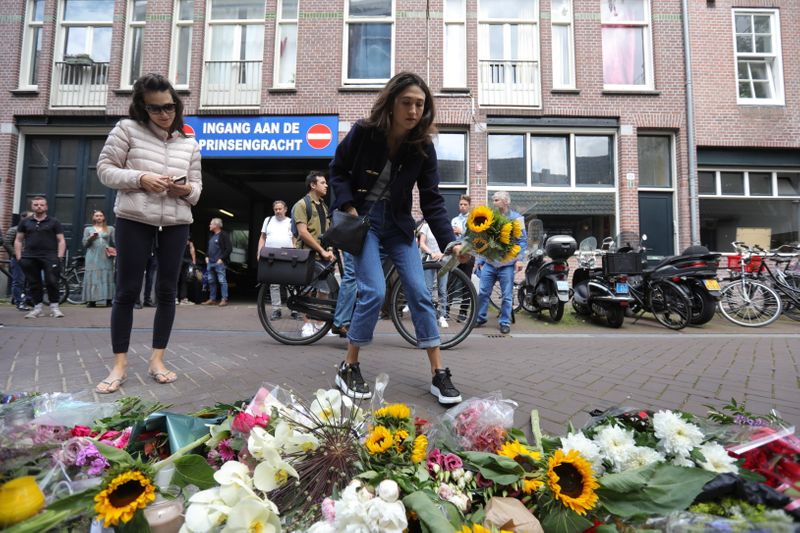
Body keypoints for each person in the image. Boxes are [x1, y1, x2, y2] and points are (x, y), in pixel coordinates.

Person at [329, 71, 468, 404]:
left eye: (420, 104)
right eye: (406, 102)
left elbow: (432, 199)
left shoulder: (422, 147)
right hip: (363, 223)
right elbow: (337, 169)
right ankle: (349, 366)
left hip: (399, 227)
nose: (413, 110)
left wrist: (451, 241)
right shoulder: (364, 133)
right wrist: (347, 206)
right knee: (374, 291)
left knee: (420, 292)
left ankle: (438, 374)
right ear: (391, 103)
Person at [95, 72, 202, 394]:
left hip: (176, 221)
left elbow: (198, 191)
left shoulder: (189, 142)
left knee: (168, 291)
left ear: (176, 105)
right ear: (142, 108)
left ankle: (158, 360)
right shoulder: (126, 129)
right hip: (134, 217)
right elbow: (104, 170)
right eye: (155, 109)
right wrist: (140, 178)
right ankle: (119, 365)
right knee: (127, 291)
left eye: (169, 106)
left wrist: (182, 190)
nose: (164, 114)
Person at [475, 191, 527, 334]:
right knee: (483, 292)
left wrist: (520, 259)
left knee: (506, 295)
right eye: (494, 200)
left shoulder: (518, 219)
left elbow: (522, 241)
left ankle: (504, 322)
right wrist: (480, 259)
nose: (494, 203)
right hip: (490, 263)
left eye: (497, 200)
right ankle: (480, 318)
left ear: (506, 202)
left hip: (508, 264)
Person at [292, 170, 335, 337]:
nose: (326, 185)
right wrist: (322, 250)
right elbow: (303, 233)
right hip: (307, 255)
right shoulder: (302, 205)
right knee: (307, 291)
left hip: (323, 256)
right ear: (313, 185)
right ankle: (307, 324)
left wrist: (329, 250)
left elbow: (327, 232)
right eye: (323, 183)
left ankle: (319, 323)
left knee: (324, 291)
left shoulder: (324, 207)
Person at [14, 197, 67, 319]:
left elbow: (61, 240)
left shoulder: (54, 222)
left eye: (41, 205)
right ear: (32, 207)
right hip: (29, 257)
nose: (39, 206)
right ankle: (37, 308)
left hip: (50, 256)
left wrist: (60, 257)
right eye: (36, 204)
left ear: (46, 207)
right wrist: (19, 257)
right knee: (34, 283)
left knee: (52, 281)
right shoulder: (25, 222)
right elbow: (18, 240)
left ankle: (55, 308)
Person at [257, 200, 294, 320]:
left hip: (288, 256)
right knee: (274, 284)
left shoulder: (291, 222)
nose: (278, 211)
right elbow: (262, 238)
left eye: (280, 209)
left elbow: (295, 239)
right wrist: (259, 252)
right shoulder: (268, 220)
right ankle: (276, 310)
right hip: (271, 256)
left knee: (292, 283)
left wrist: (295, 251)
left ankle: (294, 310)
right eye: (276, 209)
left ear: (285, 209)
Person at [418, 221, 449, 328]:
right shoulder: (426, 226)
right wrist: (432, 253)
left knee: (442, 289)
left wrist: (442, 254)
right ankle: (430, 316)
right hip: (429, 260)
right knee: (428, 289)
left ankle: (442, 316)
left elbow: (450, 244)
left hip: (443, 260)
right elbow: (421, 244)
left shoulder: (444, 225)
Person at [81, 210, 116, 307]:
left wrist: (117, 251)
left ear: (104, 217)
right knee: (92, 277)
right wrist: (90, 238)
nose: (99, 217)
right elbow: (84, 244)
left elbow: (115, 241)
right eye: (96, 216)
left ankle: (108, 300)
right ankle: (91, 301)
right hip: (92, 256)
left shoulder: (110, 229)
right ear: (93, 218)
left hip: (105, 256)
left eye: (101, 215)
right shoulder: (88, 229)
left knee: (107, 275)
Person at [451, 194, 475, 322]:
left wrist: (462, 231)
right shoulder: (454, 220)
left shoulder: (473, 220)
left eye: (465, 204)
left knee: (466, 282)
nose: (463, 206)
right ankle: (445, 311)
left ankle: (463, 312)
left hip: (469, 254)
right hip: (455, 253)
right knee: (450, 281)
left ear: (469, 206)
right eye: (461, 204)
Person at [3, 211, 31, 310]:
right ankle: (19, 301)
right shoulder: (14, 230)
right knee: (19, 280)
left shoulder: (32, 230)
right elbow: (6, 243)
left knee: (34, 279)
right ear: (23, 218)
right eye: (30, 217)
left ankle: (27, 299)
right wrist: (16, 254)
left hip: (30, 258)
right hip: (18, 259)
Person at [203, 218, 231, 306]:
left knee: (222, 281)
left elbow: (229, 249)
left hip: (219, 263)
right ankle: (212, 299)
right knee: (211, 281)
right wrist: (206, 256)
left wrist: (221, 259)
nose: (209, 225)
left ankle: (224, 299)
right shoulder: (211, 235)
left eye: (211, 224)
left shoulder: (224, 235)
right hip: (210, 262)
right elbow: (209, 248)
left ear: (216, 225)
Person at [177, 237, 197, 304]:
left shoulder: (187, 235)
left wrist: (193, 261)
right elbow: (192, 248)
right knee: (179, 279)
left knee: (184, 279)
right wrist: (193, 261)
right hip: (182, 259)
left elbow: (192, 248)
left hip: (185, 260)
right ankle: (178, 298)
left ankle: (182, 299)